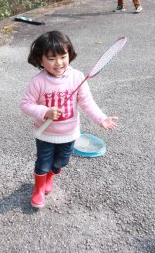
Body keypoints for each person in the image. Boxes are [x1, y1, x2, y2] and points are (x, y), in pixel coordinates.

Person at [20, 30, 118, 209]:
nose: (58, 63)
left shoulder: (77, 77)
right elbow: (25, 104)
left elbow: (87, 103)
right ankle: (39, 189)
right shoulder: (37, 81)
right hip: (45, 134)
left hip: (69, 133)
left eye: (63, 56)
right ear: (40, 60)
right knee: (43, 163)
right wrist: (44, 111)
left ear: (69, 54)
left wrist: (101, 118)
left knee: (61, 162)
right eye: (50, 58)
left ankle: (50, 176)